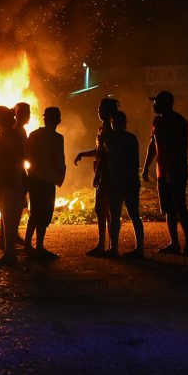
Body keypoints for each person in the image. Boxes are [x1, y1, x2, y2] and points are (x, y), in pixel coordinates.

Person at [142, 90, 188, 256]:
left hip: (176, 171)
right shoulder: (157, 121)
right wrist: (146, 167)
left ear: (166, 104)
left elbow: (181, 148)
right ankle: (175, 243)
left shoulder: (179, 122)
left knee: (179, 207)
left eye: (156, 102)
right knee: (169, 209)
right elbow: (152, 145)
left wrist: (173, 168)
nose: (153, 105)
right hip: (162, 172)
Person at [74, 97, 119, 257]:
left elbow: (105, 156)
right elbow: (98, 151)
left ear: (109, 111)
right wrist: (83, 154)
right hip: (103, 174)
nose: (98, 111)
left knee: (104, 210)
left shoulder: (111, 129)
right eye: (98, 108)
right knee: (104, 210)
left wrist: (98, 175)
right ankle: (108, 245)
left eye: (102, 109)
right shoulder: (102, 128)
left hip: (107, 175)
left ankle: (108, 246)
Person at [23, 107, 66, 259]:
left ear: (44, 119)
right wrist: (60, 175)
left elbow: (26, 155)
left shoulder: (34, 134)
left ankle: (28, 245)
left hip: (34, 179)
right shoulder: (57, 138)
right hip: (47, 181)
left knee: (35, 212)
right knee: (45, 213)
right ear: (58, 121)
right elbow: (59, 159)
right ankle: (39, 247)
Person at [101, 111, 144, 258]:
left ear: (124, 123)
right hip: (114, 183)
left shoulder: (130, 139)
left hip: (129, 182)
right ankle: (114, 248)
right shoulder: (108, 139)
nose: (115, 124)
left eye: (118, 122)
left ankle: (139, 249)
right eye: (113, 122)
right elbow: (105, 161)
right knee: (114, 215)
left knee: (134, 215)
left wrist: (133, 181)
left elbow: (135, 162)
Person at [0, 106, 25, 266]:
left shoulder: (9, 136)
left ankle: (10, 253)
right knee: (8, 215)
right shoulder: (6, 135)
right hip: (7, 181)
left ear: (1, 119)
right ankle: (8, 250)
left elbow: (12, 159)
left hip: (10, 181)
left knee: (9, 215)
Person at [0, 101, 32, 251]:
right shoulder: (15, 131)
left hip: (16, 170)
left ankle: (7, 238)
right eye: (27, 113)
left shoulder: (19, 130)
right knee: (12, 207)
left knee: (11, 207)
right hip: (13, 172)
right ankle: (7, 240)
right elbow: (20, 152)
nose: (29, 116)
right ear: (19, 114)